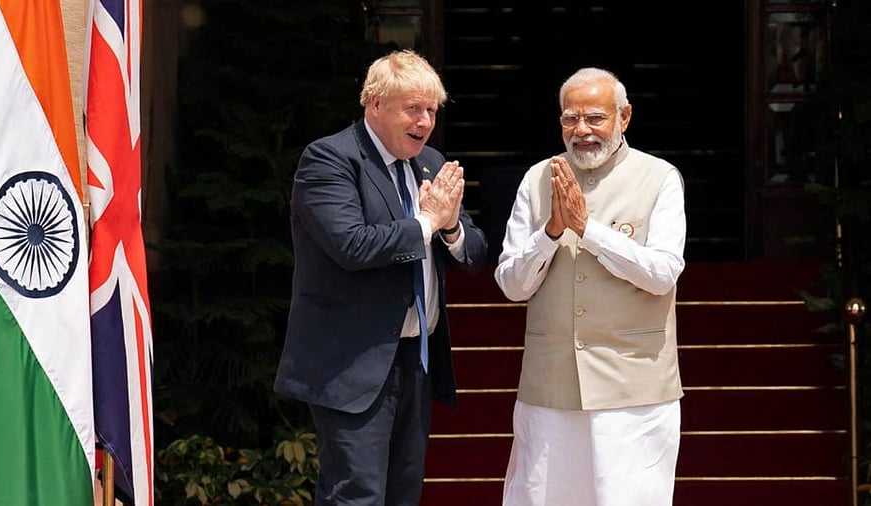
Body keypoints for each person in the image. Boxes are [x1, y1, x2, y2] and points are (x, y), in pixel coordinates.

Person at [273, 49, 488, 506]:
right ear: (375, 105)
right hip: (352, 363)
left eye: (431, 110)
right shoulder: (330, 160)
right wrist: (428, 223)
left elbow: (473, 252)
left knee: (402, 493)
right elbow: (352, 245)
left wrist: (449, 227)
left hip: (416, 359)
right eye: (413, 108)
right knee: (357, 495)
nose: (425, 121)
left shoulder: (429, 161)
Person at [494, 67, 686, 506]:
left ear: (624, 117)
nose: (581, 131)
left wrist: (589, 230)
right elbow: (511, 284)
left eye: (595, 118)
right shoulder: (538, 178)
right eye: (570, 119)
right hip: (550, 385)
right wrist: (551, 234)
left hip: (633, 387)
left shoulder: (659, 178)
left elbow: (662, 273)